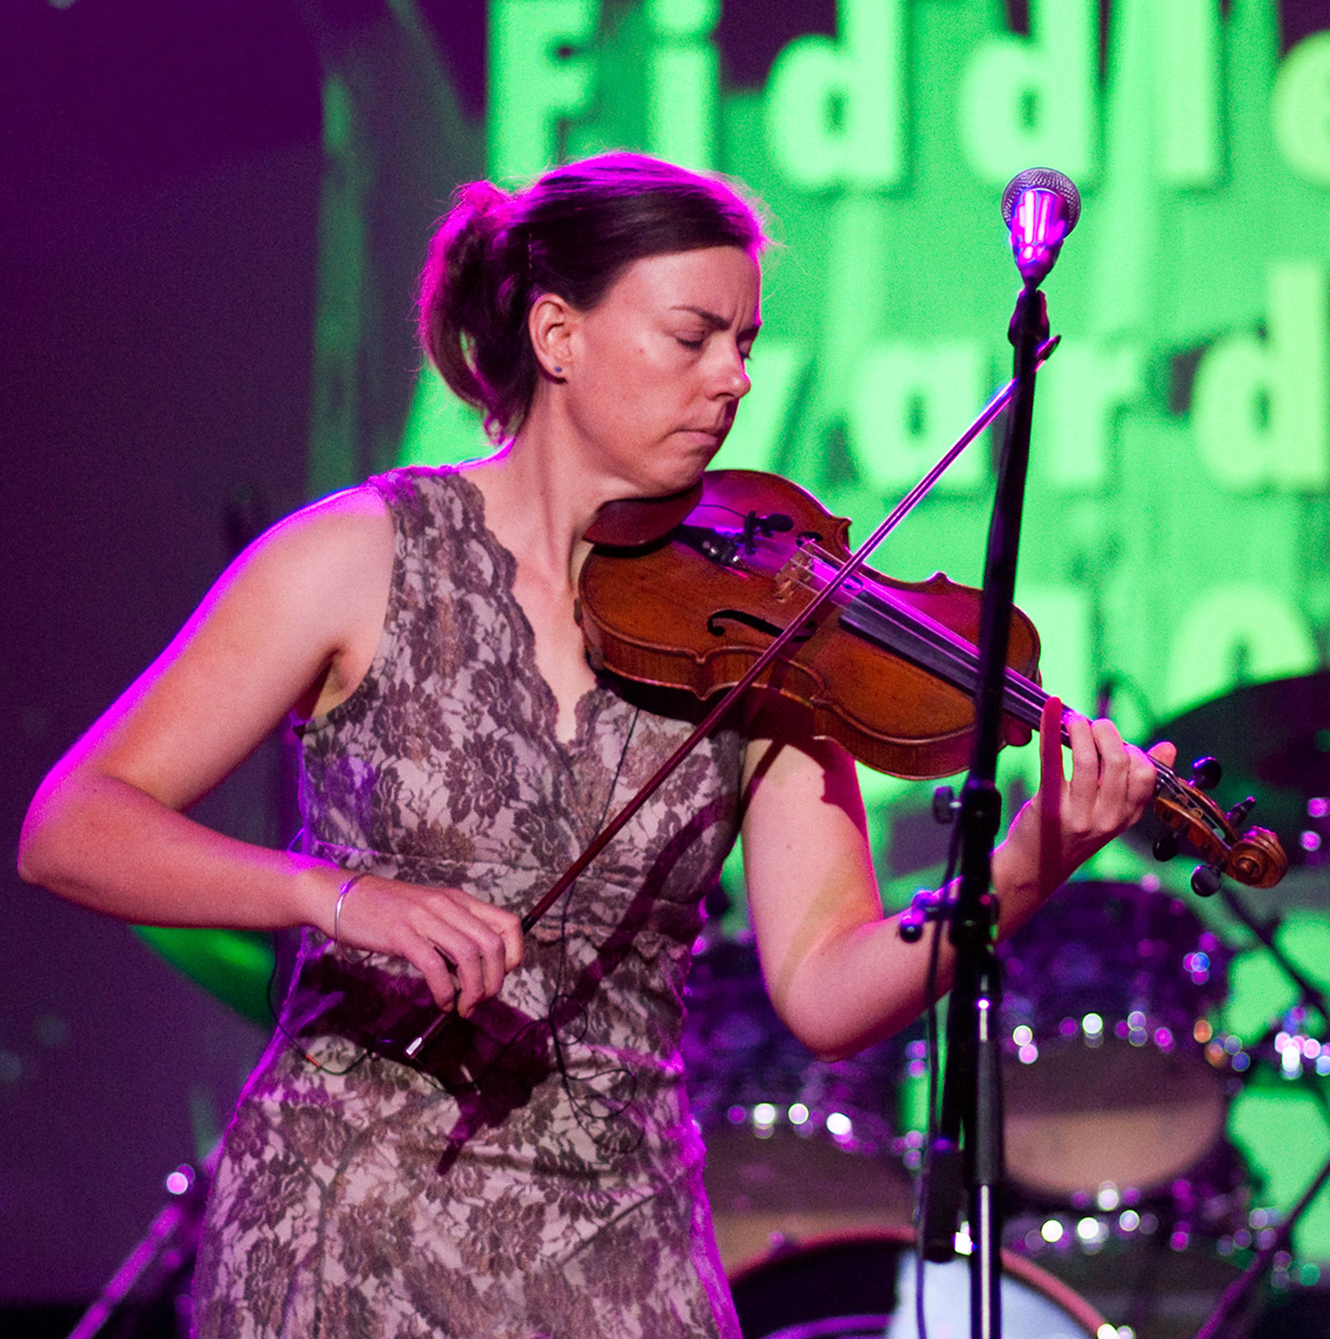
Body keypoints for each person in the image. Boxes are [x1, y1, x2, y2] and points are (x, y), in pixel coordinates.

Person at [18, 152, 1171, 1339]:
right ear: (557, 334)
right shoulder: (358, 556)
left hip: (619, 1246)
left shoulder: (770, 629)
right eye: (692, 337)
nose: (735, 378)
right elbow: (74, 824)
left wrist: (1026, 862)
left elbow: (828, 991)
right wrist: (334, 895)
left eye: (745, 342)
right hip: (344, 1226)